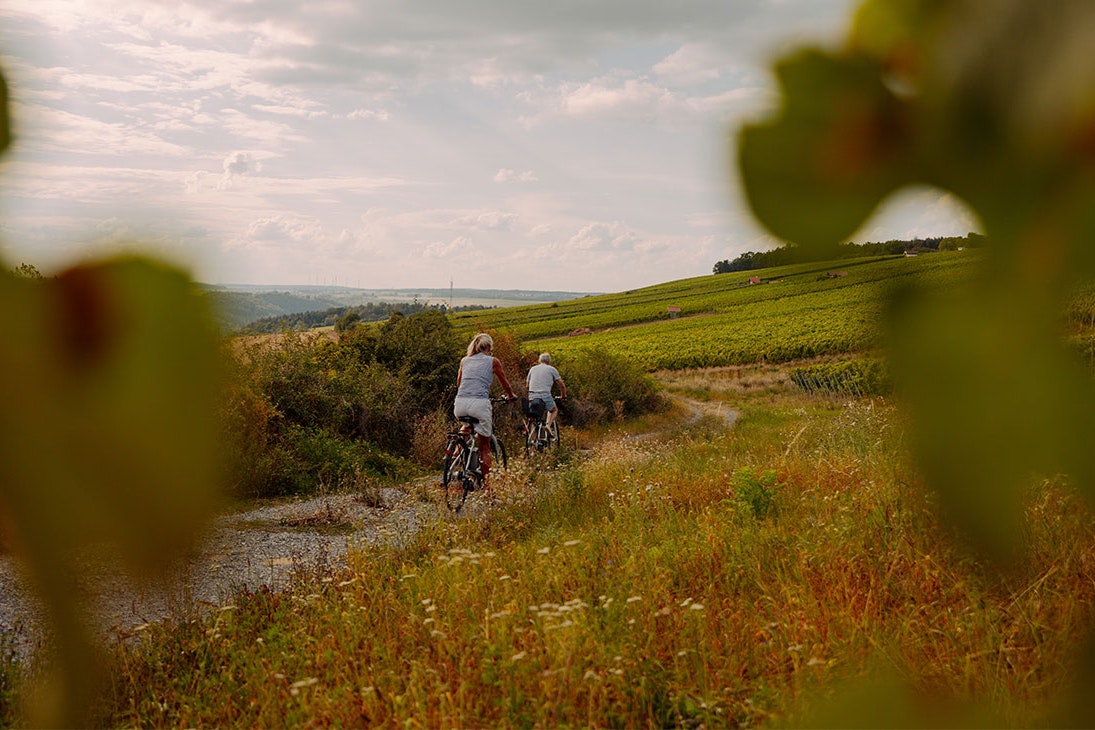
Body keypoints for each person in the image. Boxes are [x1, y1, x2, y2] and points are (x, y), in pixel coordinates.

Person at [454, 333, 517, 483]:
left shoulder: (464, 361)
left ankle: (455, 455)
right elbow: (505, 384)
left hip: (460, 404)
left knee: (466, 426)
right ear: (489, 347)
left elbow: (459, 384)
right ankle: (488, 487)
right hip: (479, 405)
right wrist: (511, 395)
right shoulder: (493, 361)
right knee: (485, 447)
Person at [526, 352, 566, 433]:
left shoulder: (532, 369)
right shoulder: (552, 369)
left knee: (533, 417)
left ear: (539, 361)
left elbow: (527, 385)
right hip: (545, 395)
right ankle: (548, 425)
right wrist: (563, 396)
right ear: (549, 361)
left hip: (532, 396)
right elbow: (561, 385)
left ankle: (532, 442)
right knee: (553, 410)